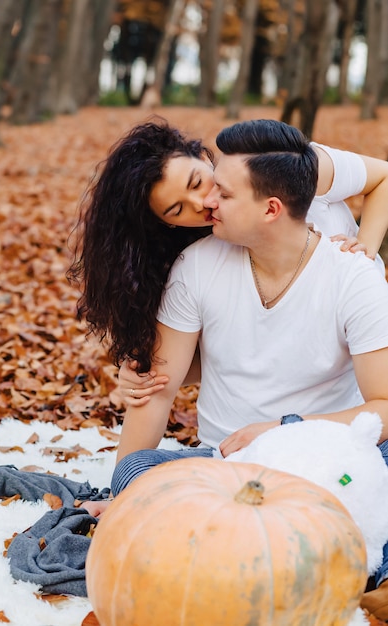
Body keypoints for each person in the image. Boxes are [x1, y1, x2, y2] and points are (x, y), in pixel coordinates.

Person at [90, 119, 388, 618]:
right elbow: (160, 388)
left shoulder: (349, 267)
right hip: (225, 468)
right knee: (138, 473)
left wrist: (282, 431)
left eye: (213, 190)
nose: (206, 205)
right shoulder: (197, 266)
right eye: (179, 209)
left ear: (271, 206)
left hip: (325, 460)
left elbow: (383, 407)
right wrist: (121, 490)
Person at [68, 117, 388, 389]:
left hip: (355, 353)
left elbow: (384, 176)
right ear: (165, 224)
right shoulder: (199, 258)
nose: (202, 203)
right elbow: (234, 357)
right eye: (177, 209)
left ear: (204, 157)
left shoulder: (287, 170)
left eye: (196, 182)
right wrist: (151, 374)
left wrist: (364, 251)